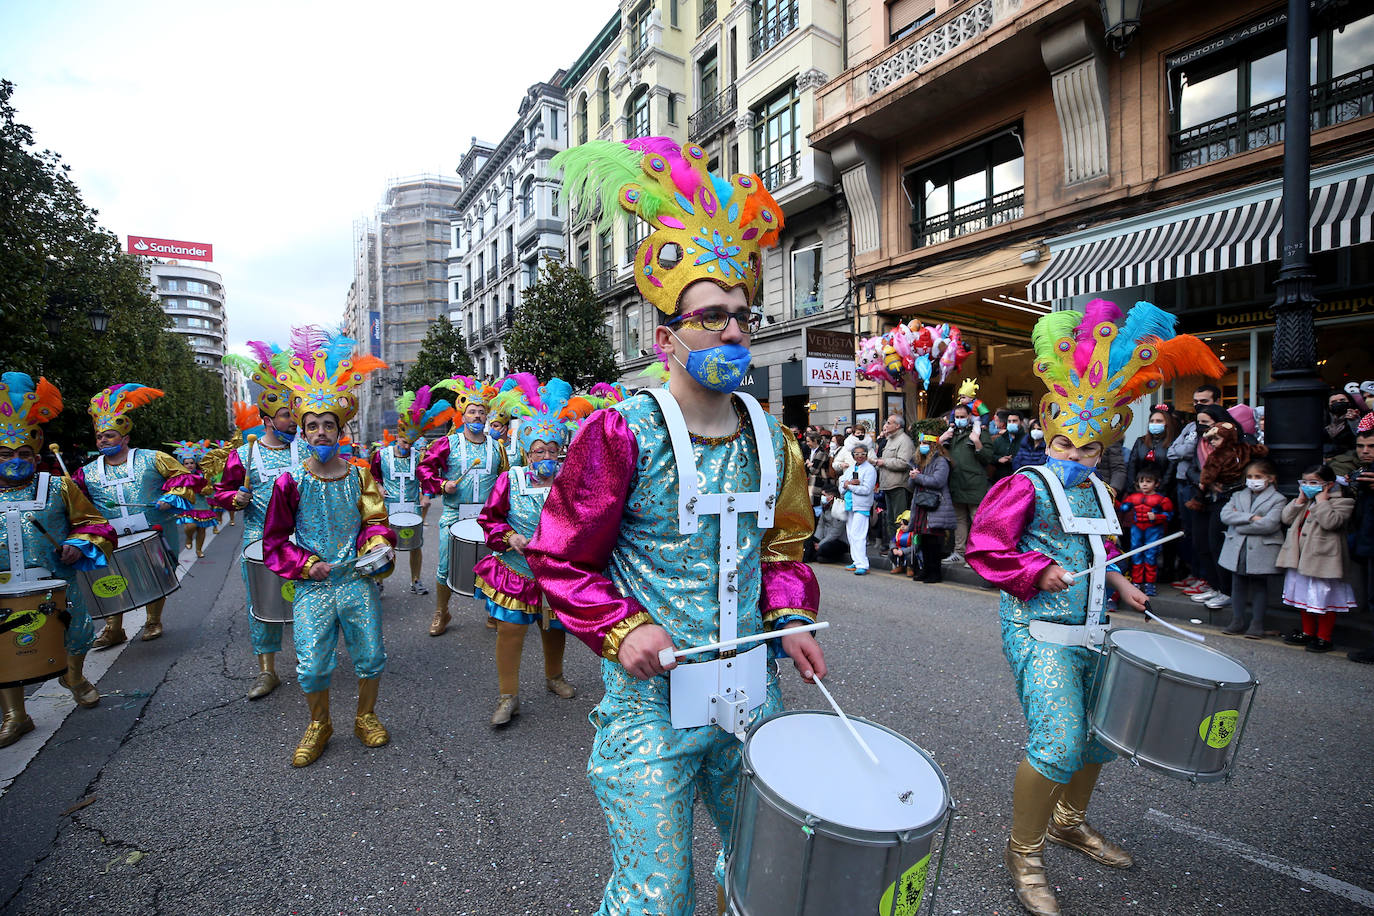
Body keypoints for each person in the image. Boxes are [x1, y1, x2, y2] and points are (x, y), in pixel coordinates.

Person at [527, 136, 826, 916]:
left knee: (763, 871)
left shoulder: (775, 437)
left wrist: (789, 616)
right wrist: (621, 630)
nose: (732, 333)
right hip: (651, 702)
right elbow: (559, 558)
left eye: (742, 318)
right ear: (665, 339)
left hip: (750, 694)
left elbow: (784, 545)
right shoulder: (620, 433)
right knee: (657, 897)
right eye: (711, 318)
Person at [967, 299, 1222, 916]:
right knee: (1058, 740)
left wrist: (1122, 587)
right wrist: (1038, 569)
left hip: (1091, 627)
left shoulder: (1103, 489)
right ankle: (1023, 853)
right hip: (1036, 628)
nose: (1076, 455)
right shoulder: (1023, 485)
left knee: (1096, 738)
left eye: (1088, 448)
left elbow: (1099, 549)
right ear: (1048, 433)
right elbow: (984, 546)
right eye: (1065, 443)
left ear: (1105, 442)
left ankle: (1067, 821)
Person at [262, 326, 396, 766]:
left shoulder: (359, 474)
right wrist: (306, 565)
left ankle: (365, 716)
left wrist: (377, 546)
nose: (321, 432)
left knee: (370, 654)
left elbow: (376, 519)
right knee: (313, 665)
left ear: (340, 430)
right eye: (313, 426)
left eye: (328, 425)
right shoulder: (289, 480)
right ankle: (319, 723)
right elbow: (275, 540)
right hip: (314, 585)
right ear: (303, 431)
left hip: (356, 580)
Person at [0, 373, 116, 747]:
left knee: (79, 632)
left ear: (35, 456)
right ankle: (16, 715)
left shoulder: (58, 486)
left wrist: (78, 544)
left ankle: (75, 677)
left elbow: (95, 524)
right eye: (5, 454)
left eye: (22, 455)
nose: (15, 461)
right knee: (5, 649)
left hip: (57, 582)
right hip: (5, 590)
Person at [473, 377, 595, 726]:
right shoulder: (509, 479)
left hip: (556, 573)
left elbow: (581, 520)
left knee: (554, 628)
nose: (545, 456)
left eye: (552, 450)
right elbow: (489, 519)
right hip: (516, 571)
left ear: (561, 452)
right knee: (510, 630)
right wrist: (509, 537)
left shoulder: (568, 482)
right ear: (526, 452)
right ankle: (507, 695)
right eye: (538, 450)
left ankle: (554, 677)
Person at [73, 384, 204, 647]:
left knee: (156, 573)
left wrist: (173, 496)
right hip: (110, 535)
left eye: (109, 436)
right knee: (109, 578)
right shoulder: (87, 471)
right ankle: (113, 628)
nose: (103, 441)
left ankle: (153, 620)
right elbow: (74, 500)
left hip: (154, 530)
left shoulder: (152, 458)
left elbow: (184, 477)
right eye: (100, 437)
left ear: (125, 438)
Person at [213, 351, 306, 700]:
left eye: (294, 415)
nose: (293, 423)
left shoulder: (307, 452)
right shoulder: (243, 454)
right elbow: (220, 492)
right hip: (259, 543)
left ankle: (308, 661)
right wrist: (232, 499)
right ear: (267, 420)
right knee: (262, 607)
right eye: (286, 416)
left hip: (303, 541)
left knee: (306, 604)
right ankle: (267, 671)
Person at [419, 375, 508, 636]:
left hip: (488, 519)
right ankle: (441, 611)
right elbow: (424, 468)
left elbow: (505, 481)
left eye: (481, 412)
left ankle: (493, 612)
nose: (477, 416)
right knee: (445, 567)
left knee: (495, 565)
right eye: (472, 411)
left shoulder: (497, 448)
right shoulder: (448, 443)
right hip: (453, 516)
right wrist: (440, 484)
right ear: (463, 415)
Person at [371, 386, 452, 598]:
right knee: (383, 544)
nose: (407, 446)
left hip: (411, 506)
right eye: (404, 441)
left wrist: (426, 496)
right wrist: (379, 486)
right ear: (398, 437)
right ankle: (379, 580)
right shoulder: (382, 455)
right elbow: (374, 476)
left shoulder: (418, 456)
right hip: (387, 507)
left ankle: (416, 580)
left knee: (415, 544)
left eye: (411, 443)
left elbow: (426, 478)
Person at [1184, 407, 1267, 610]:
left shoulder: (1241, 442)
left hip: (1227, 499)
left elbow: (1256, 465)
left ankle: (1227, 590)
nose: (1203, 427)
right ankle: (1214, 585)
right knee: (1201, 543)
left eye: (1207, 422)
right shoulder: (1201, 443)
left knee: (1218, 544)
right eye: (1199, 422)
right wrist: (1204, 482)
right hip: (1203, 497)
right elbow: (1191, 470)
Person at [1278, 464, 1356, 653]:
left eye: (1313, 482)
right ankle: (1307, 632)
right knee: (1302, 595)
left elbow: (1331, 522)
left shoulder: (1343, 501)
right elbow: (1286, 518)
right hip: (1300, 557)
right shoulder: (1305, 500)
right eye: (1304, 482)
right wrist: (1299, 499)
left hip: (1323, 559)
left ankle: (1324, 637)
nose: (1308, 486)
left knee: (1323, 598)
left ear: (1328, 484)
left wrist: (1322, 501)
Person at [1218, 459, 1286, 638]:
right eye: (1249, 476)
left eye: (1258, 476)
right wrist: (1251, 518)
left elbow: (1269, 524)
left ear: (1270, 478)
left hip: (1261, 549)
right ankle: (1237, 620)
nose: (1253, 480)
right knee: (1237, 584)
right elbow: (1225, 515)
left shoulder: (1278, 499)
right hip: (1238, 547)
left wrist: (1239, 522)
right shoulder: (1238, 495)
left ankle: (1257, 624)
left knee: (1259, 586)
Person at [1167, 384, 1222, 589]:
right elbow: (1174, 451)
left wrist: (1184, 450)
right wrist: (1184, 450)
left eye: (1204, 402)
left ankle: (1208, 579)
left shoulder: (1217, 427)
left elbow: (1191, 451)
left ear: (1216, 402)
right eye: (1196, 402)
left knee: (1204, 536)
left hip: (1203, 487)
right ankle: (1196, 574)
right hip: (1183, 484)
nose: (1199, 406)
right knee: (1190, 533)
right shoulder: (1191, 426)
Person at [940, 402, 991, 566]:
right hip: (956, 483)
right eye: (957, 417)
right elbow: (938, 457)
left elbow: (988, 458)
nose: (960, 419)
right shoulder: (950, 434)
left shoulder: (979, 433)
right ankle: (959, 552)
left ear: (970, 417)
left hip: (975, 484)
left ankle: (976, 555)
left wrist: (977, 442)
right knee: (959, 521)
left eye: (963, 417)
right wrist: (940, 441)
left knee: (977, 520)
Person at [908, 432, 955, 583]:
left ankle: (935, 572)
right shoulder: (919, 462)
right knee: (924, 540)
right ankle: (925, 570)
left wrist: (918, 477)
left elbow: (938, 481)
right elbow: (911, 485)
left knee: (934, 541)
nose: (922, 447)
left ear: (933, 446)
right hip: (922, 503)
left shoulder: (941, 461)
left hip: (935, 505)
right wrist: (913, 477)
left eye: (926, 444)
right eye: (921, 444)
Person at [1117, 470, 1173, 596]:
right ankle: (1136, 581)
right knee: (1136, 554)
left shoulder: (1162, 500)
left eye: (1148, 481)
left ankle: (1150, 583)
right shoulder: (1133, 497)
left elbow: (1169, 515)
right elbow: (1123, 508)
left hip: (1153, 530)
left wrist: (1157, 517)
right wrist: (1112, 499)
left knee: (1151, 556)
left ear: (1156, 484)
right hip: (1137, 529)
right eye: (1141, 481)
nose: (1144, 484)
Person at [1346, 417, 1374, 663]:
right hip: (1366, 542)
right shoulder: (1362, 472)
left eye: (1372, 447)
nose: (1365, 451)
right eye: (1361, 446)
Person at [874, 414, 915, 560]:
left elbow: (904, 463)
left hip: (898, 485)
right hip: (888, 485)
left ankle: (903, 553)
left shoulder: (904, 441)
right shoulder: (889, 440)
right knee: (891, 521)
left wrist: (883, 462)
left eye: (889, 422)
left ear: (897, 425)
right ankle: (894, 551)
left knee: (900, 521)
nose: (886, 425)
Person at [169, 441, 217, 558]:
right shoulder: (180, 477)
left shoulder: (202, 476)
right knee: (191, 526)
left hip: (202, 505)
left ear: (196, 464)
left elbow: (210, 489)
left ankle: (199, 550)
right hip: (188, 506)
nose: (190, 465)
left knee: (202, 529)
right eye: (186, 463)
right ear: (182, 464)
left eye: (192, 463)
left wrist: (204, 489)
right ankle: (189, 538)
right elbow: (174, 489)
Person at [842, 443, 878, 575]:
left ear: (867, 455)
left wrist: (850, 486)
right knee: (851, 534)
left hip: (862, 505)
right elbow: (842, 482)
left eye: (862, 454)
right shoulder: (851, 468)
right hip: (850, 504)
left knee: (859, 535)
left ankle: (863, 564)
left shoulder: (870, 470)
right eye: (856, 454)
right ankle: (856, 561)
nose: (860, 456)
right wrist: (847, 484)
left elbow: (867, 489)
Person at [805, 483, 849, 563]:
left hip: (838, 541)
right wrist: (817, 540)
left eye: (824, 495)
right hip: (825, 538)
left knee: (824, 548)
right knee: (807, 540)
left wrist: (820, 544)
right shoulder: (825, 506)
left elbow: (835, 532)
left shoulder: (840, 509)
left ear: (831, 497)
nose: (822, 497)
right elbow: (820, 525)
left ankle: (820, 555)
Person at [990, 409, 1028, 482]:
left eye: (1014, 421)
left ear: (1021, 422)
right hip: (1000, 479)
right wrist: (998, 459)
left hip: (1020, 479)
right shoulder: (999, 439)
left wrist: (1013, 460)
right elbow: (989, 456)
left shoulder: (1027, 440)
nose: (1011, 423)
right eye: (1009, 421)